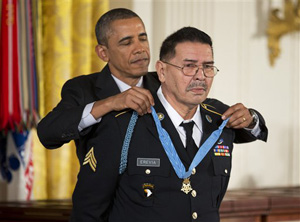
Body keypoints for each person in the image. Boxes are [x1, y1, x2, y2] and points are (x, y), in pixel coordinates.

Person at [70, 27, 268, 222]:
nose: (200, 76)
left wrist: (252, 118)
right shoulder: (122, 125)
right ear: (162, 71)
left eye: (208, 67)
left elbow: (253, 128)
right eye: (189, 66)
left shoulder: (220, 121)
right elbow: (88, 210)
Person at [37, 8, 160, 164]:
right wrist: (111, 103)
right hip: (107, 188)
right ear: (103, 53)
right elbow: (47, 133)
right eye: (127, 42)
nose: (140, 49)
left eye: (143, 39)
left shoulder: (166, 84)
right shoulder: (82, 88)